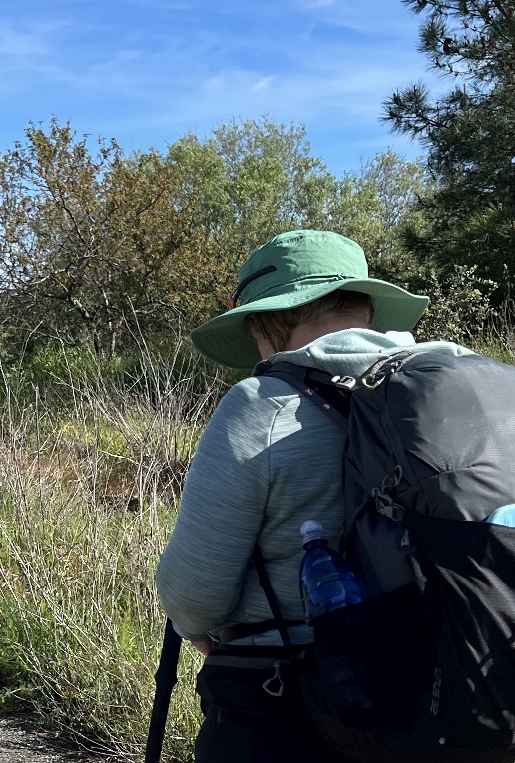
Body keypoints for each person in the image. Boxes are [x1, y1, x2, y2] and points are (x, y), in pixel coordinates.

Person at [155, 230, 473, 762]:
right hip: (443, 695)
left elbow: (195, 590)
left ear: (265, 321)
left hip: (287, 703)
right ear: (368, 307)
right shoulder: (455, 387)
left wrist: (197, 627)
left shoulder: (262, 404)